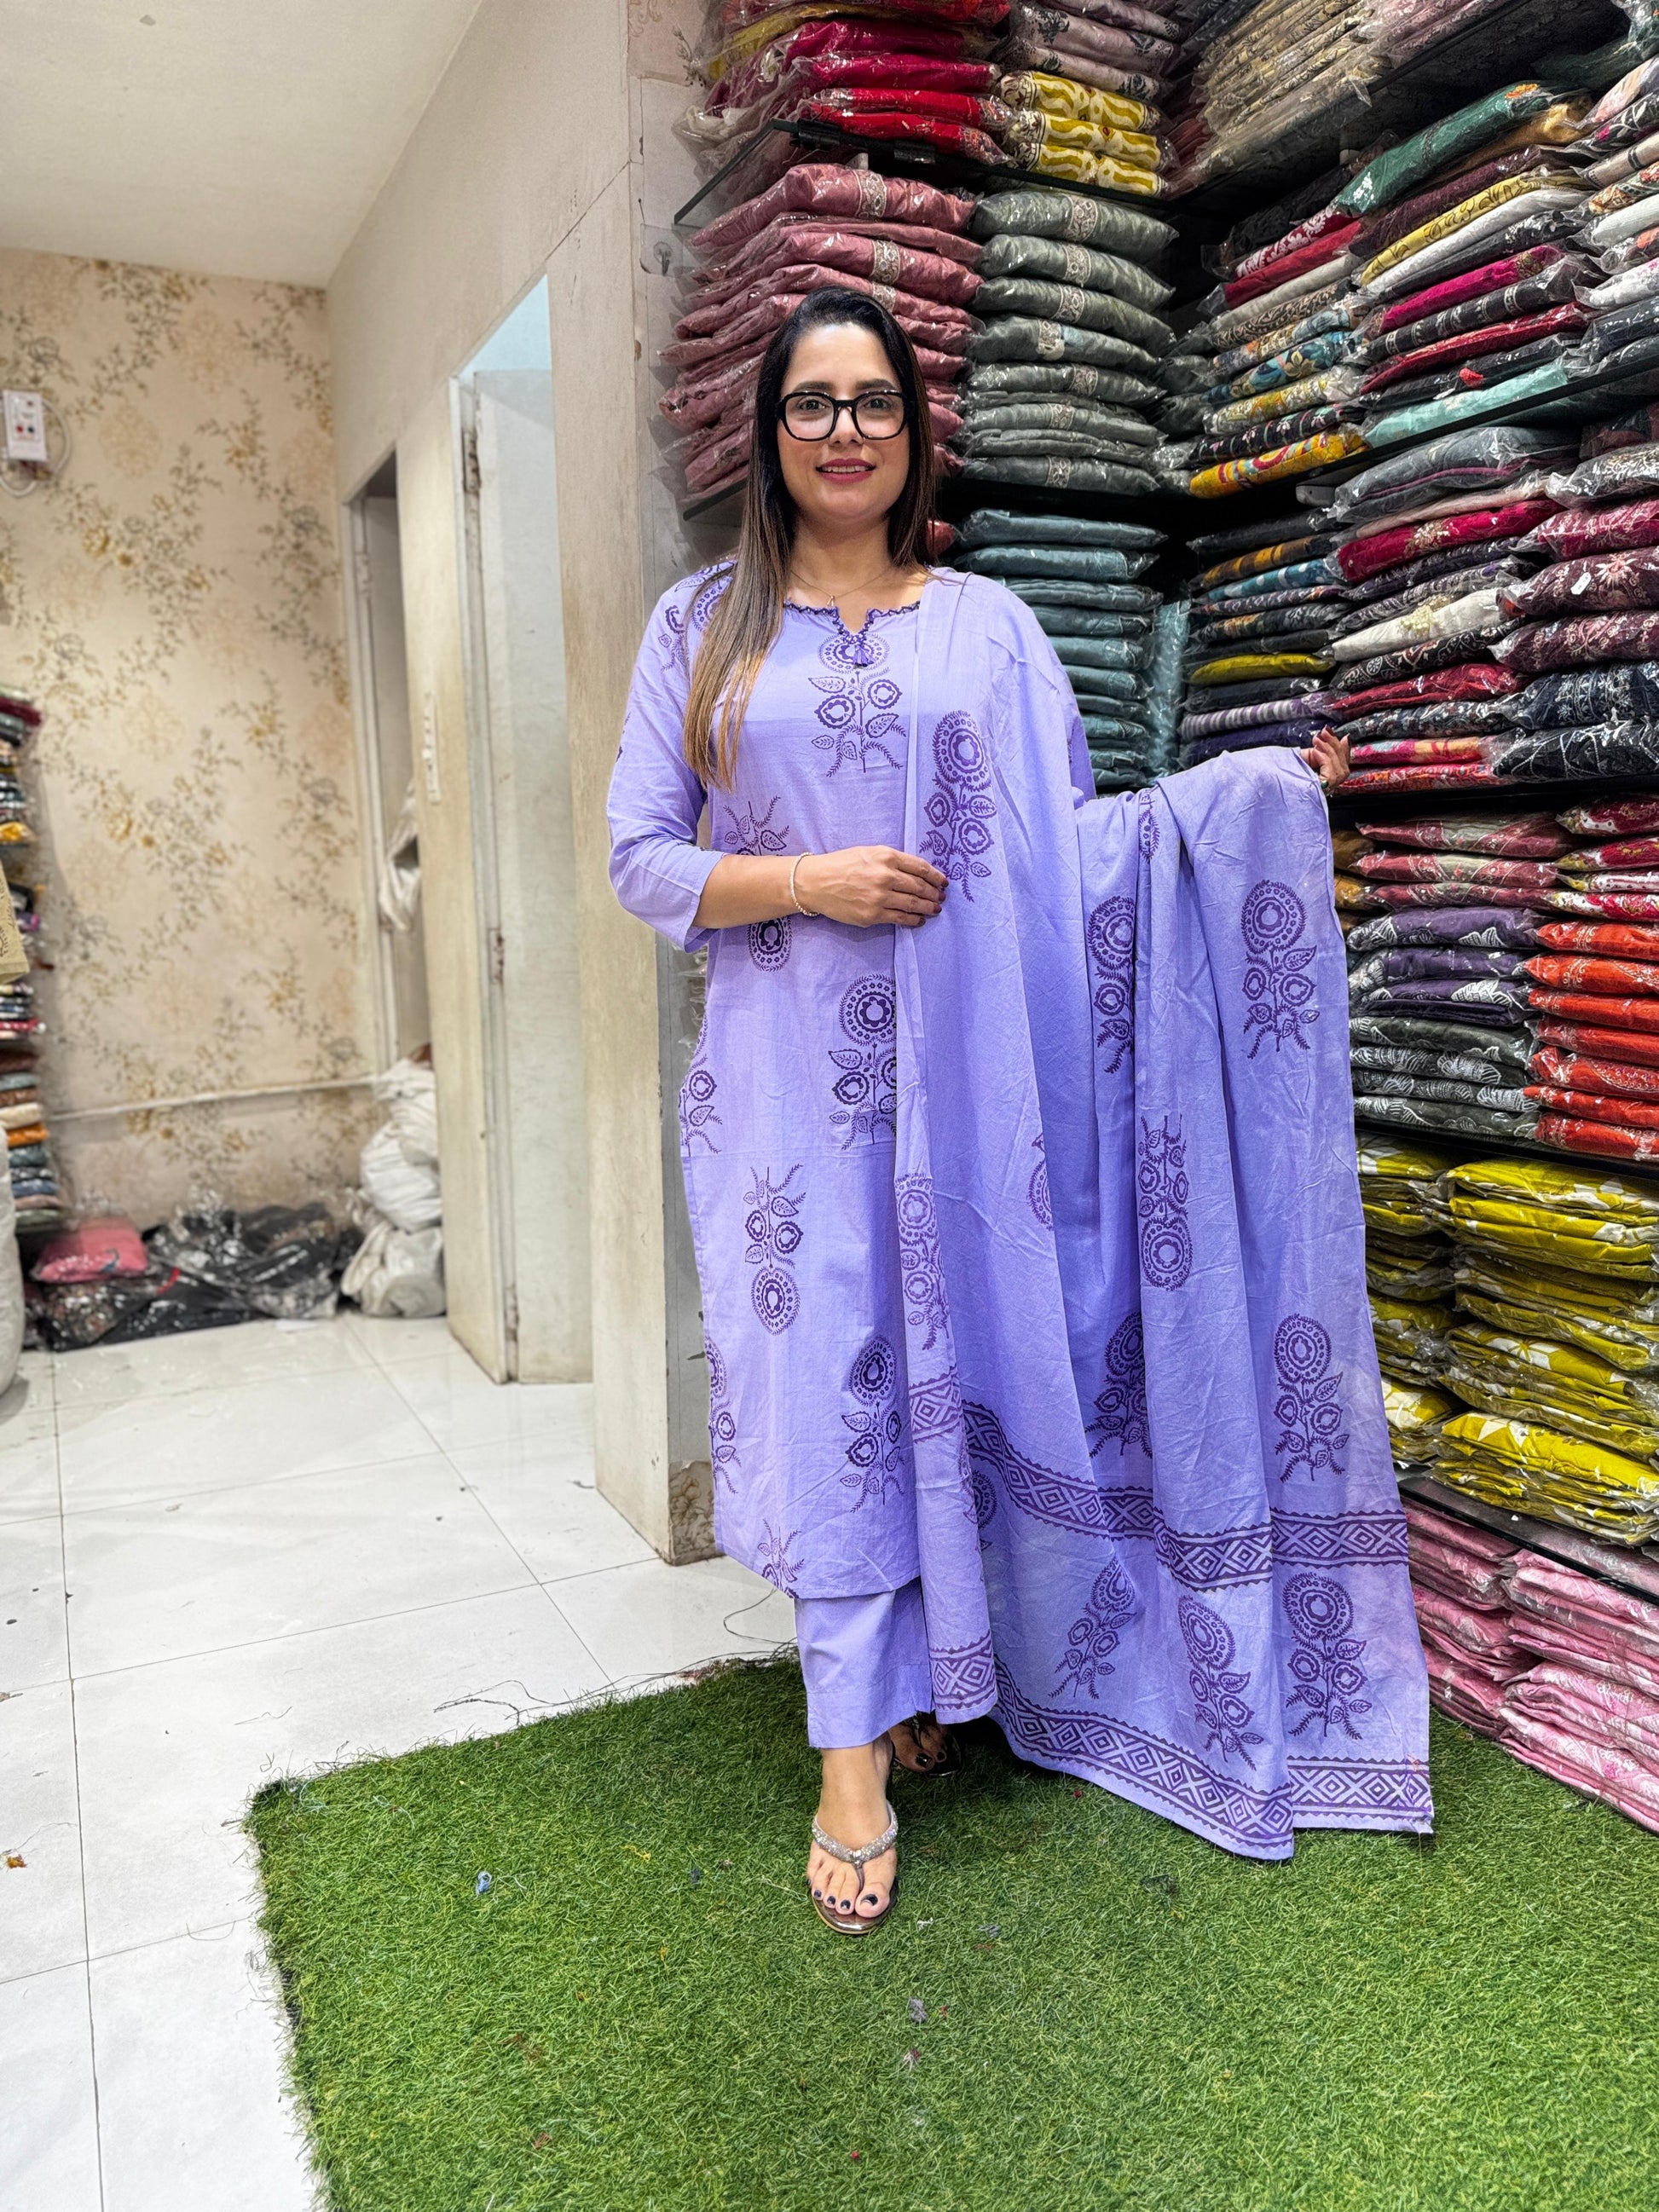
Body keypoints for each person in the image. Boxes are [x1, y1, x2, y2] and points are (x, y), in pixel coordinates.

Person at [609, 286, 1359, 1935]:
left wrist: (1242, 803)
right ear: (770, 433)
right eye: (812, 403)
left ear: (914, 429)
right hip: (785, 1095)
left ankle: (928, 1672)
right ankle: (847, 1758)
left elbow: (1064, 861)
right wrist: (810, 879)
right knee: (829, 1380)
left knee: (944, 1368)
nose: (845, 432)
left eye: (873, 401)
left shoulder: (991, 629)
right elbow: (640, 860)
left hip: (967, 1090)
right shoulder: (701, 626)